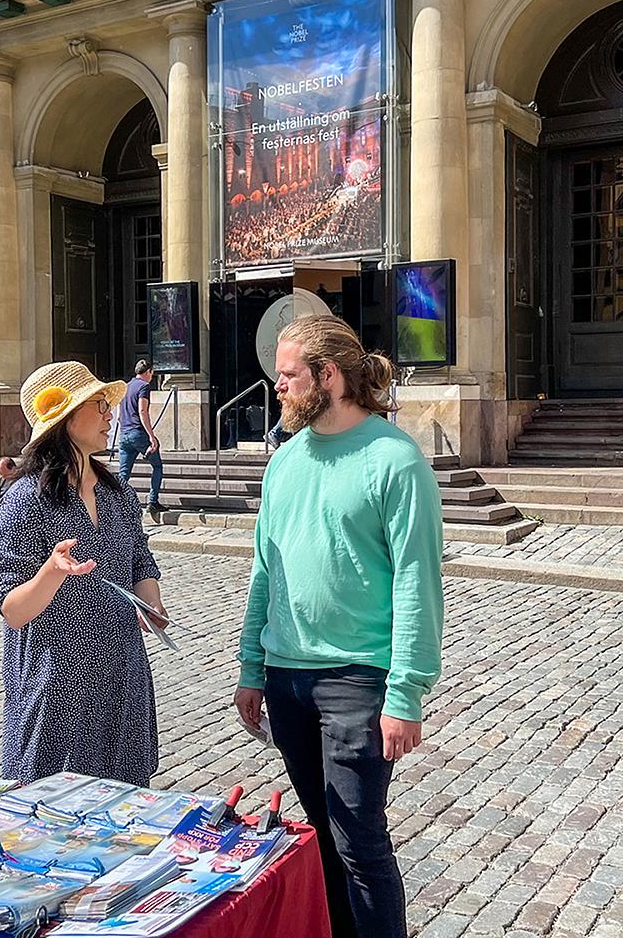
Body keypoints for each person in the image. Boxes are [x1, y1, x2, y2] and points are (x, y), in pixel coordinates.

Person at [234, 316, 443, 938]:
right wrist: (252, 668)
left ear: (328, 376)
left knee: (360, 842)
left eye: (288, 375)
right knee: (320, 834)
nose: (277, 386)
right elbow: (265, 570)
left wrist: (405, 694)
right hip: (286, 678)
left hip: (357, 679)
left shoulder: (395, 459)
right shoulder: (284, 460)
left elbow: (417, 582)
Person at [0, 360, 168, 786]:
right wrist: (51, 571)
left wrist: (151, 601)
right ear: (65, 419)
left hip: (121, 672)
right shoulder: (25, 501)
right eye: (98, 404)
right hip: (58, 683)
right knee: (53, 805)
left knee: (125, 799)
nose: (110, 413)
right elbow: (12, 609)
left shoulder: (118, 493)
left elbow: (139, 561)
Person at [116, 359, 168, 516]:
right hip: (138, 432)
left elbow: (119, 416)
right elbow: (142, 411)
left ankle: (116, 504)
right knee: (157, 466)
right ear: (149, 372)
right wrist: (151, 436)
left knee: (124, 473)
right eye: (152, 373)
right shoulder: (144, 387)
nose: (152, 377)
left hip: (124, 434)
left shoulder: (125, 387)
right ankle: (152, 502)